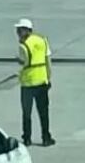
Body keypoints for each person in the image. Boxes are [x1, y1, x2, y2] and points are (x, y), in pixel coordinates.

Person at [15, 18, 55, 147]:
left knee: (27, 113)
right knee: (43, 112)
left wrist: (18, 61)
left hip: (28, 84)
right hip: (42, 81)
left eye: (19, 30)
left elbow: (24, 62)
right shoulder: (42, 40)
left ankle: (27, 138)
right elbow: (48, 61)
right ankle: (46, 137)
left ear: (26, 30)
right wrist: (48, 77)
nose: (17, 32)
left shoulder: (23, 45)